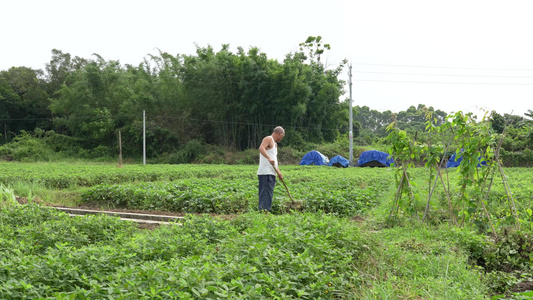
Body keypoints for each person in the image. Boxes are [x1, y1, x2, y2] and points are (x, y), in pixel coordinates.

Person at [257, 126, 285, 212]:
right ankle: (264, 213)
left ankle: (265, 212)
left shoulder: (275, 144)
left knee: (268, 193)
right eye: (282, 136)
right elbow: (261, 148)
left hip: (272, 173)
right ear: (279, 133)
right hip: (266, 172)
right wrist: (268, 158)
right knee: (265, 193)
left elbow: (274, 160)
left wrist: (279, 172)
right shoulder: (268, 138)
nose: (281, 138)